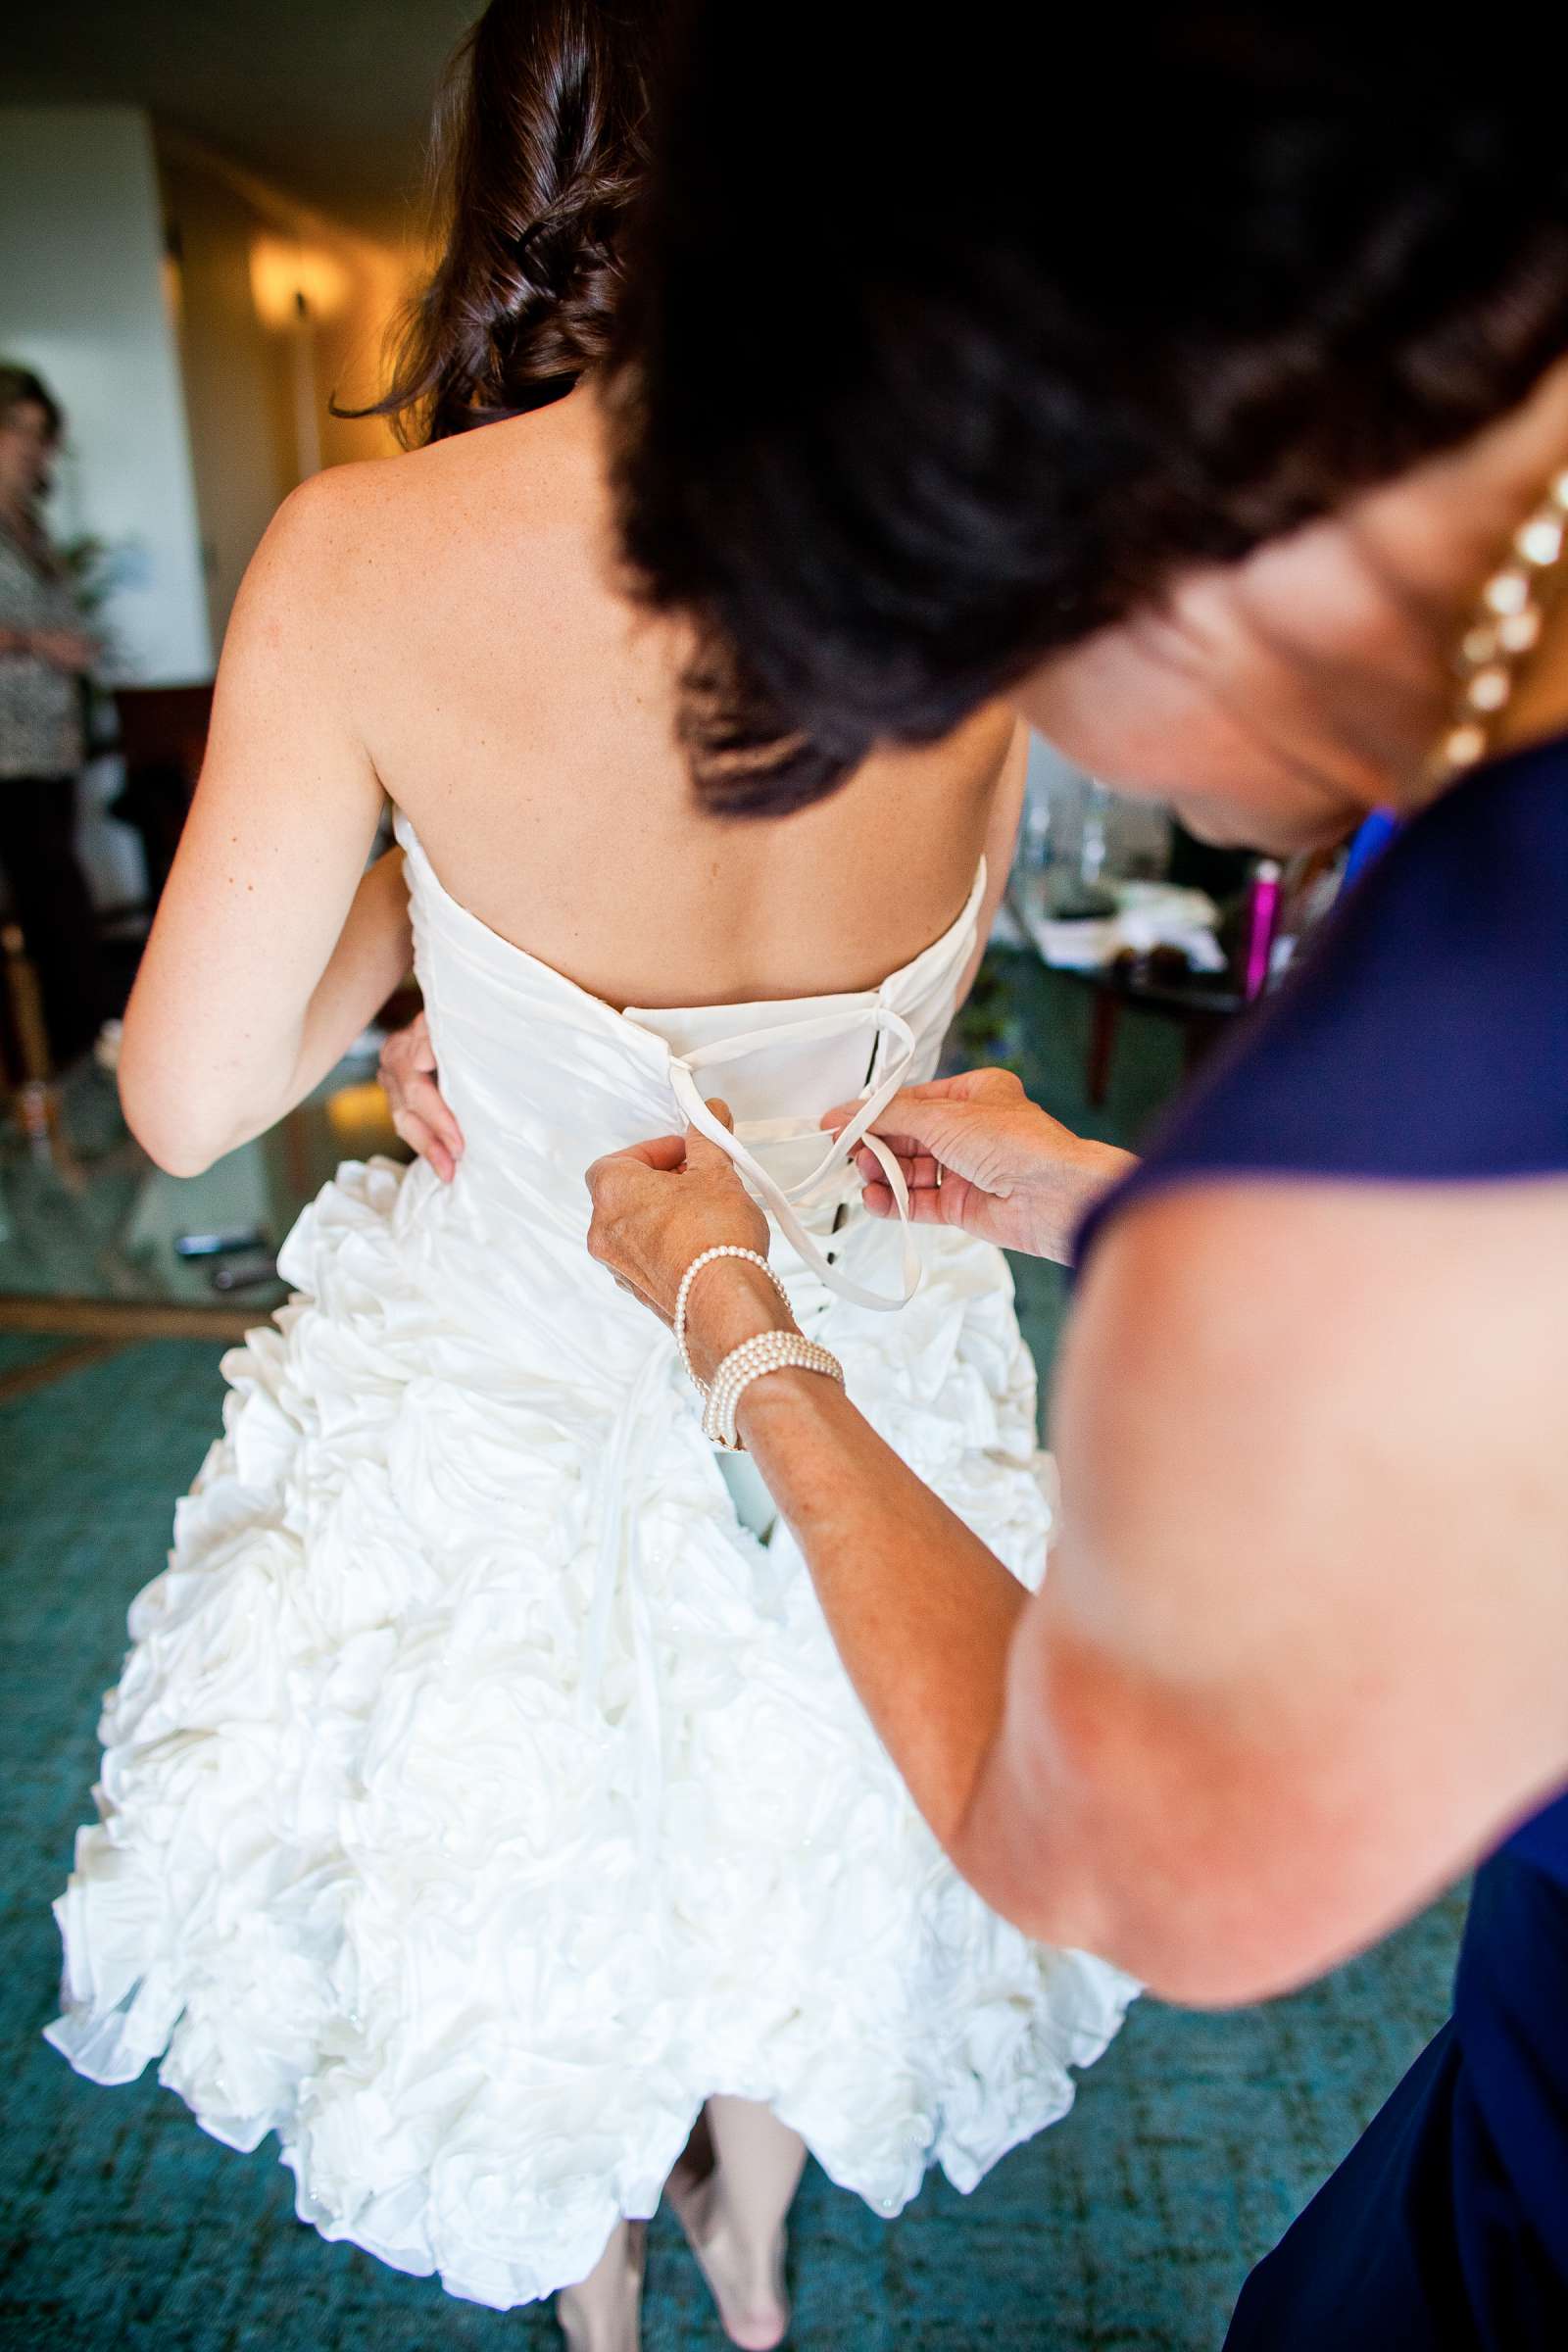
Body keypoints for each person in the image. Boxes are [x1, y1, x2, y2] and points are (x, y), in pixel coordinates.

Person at [41, 6, 1136, 2347]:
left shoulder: (374, 553)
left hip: (521, 1349)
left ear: (533, 157)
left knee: (530, 1826)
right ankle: (750, 2231)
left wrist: (434, 904)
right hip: (860, 1323)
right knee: (804, 1779)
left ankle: (603, 2262)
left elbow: (181, 1093)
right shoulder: (998, 538)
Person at [582, 13, 1568, 2346]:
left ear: (1135, 562)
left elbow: (1130, 1857)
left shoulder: (1407, 1068)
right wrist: (1109, 1199)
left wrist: (740, 1319)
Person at [0, 363, 109, 1067]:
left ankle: (82, 1049)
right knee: (48, 901)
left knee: (60, 895)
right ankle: (62, 1058)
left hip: (49, 743)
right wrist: (40, 642)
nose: (34, 448)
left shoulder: (30, 525)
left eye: (44, 435)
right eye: (20, 429)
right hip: (5, 749)